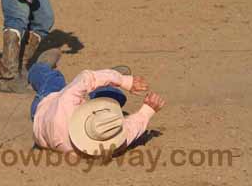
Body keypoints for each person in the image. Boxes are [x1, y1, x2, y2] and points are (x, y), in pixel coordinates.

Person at [29, 50, 166, 155]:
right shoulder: (104, 150)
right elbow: (128, 131)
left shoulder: (66, 102)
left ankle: (38, 67)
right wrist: (147, 111)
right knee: (115, 98)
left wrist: (125, 81)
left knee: (54, 80)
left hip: (44, 109)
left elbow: (87, 77)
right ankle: (107, 84)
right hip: (50, 130)